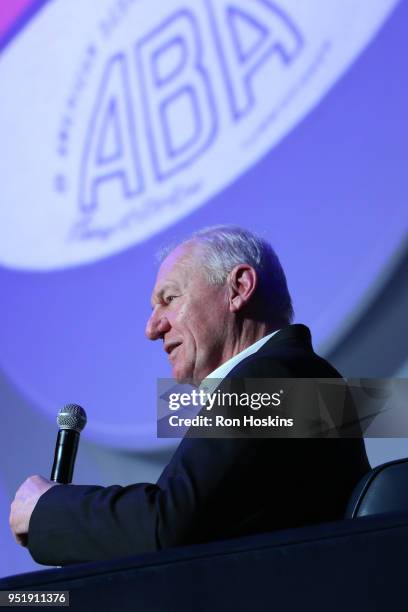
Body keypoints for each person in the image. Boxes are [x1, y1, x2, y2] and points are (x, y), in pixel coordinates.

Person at [9, 225, 370, 565]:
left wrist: (47, 507)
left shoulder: (273, 376)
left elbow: (168, 525)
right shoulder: (295, 374)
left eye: (169, 299)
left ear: (239, 288)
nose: (152, 329)